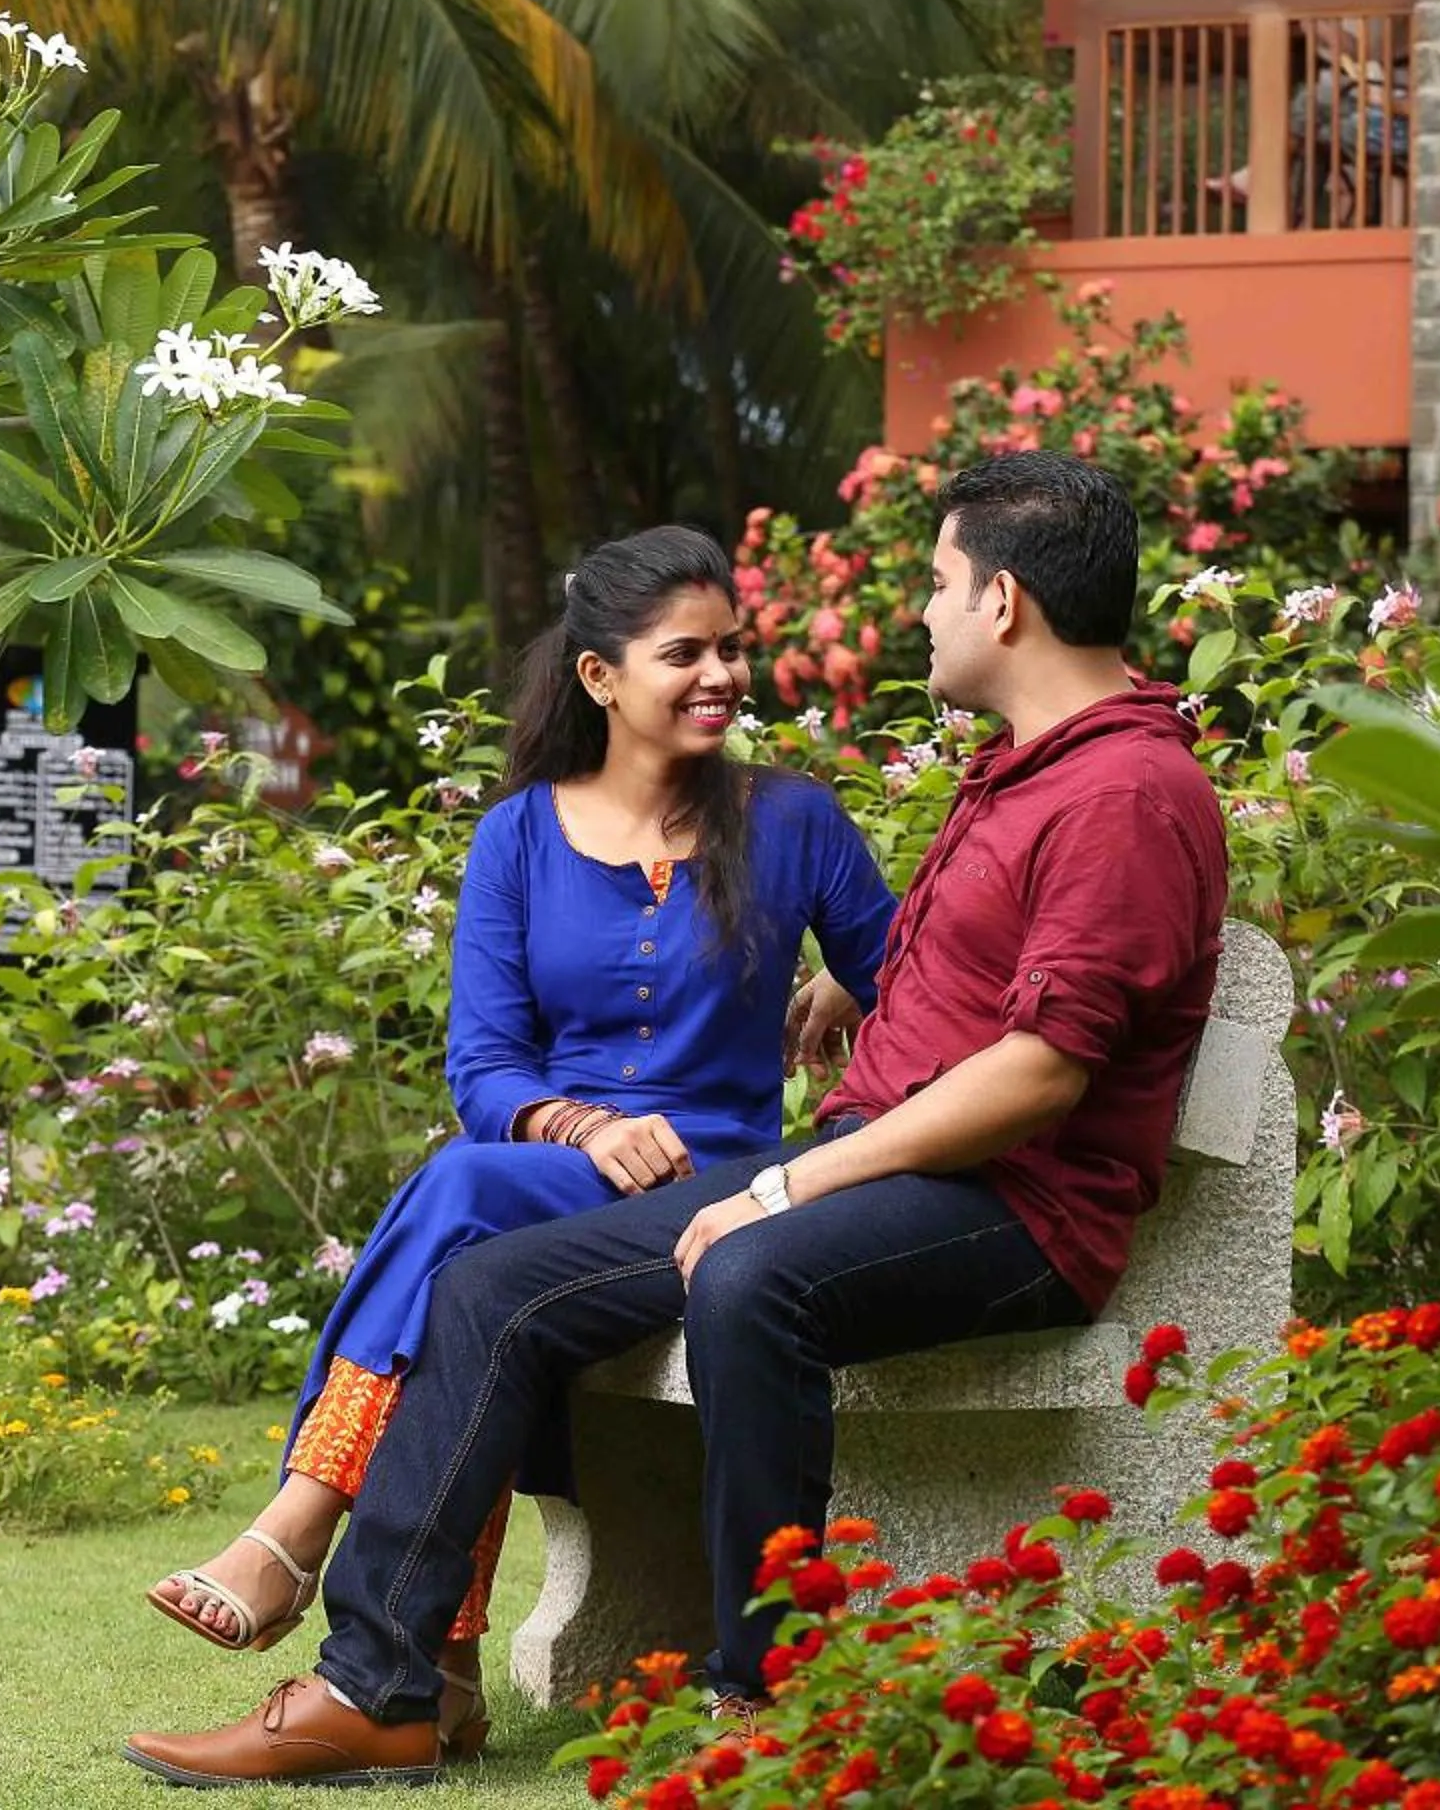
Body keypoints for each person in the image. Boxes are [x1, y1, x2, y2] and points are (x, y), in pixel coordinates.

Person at [123, 449, 1232, 1787]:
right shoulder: (1028, 774)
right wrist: (844, 1018)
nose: (921, 613)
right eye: (683, 652)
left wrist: (788, 1183)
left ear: (1000, 603)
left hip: (1010, 1205)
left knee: (748, 1272)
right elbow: (953, 983)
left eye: (938, 585)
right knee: (482, 1281)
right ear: (600, 679)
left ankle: (759, 1698)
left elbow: (1045, 1072)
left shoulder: (1118, 790)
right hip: (892, 1172)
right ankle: (385, 1685)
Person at [144, 526, 899, 1756]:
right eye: (684, 653)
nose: (721, 676)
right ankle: (423, 1661)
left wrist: (852, 990)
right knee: (472, 1199)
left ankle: (305, 1533)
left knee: (459, 1194)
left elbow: (925, 982)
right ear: (600, 677)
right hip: (554, 1177)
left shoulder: (793, 823)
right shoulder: (520, 838)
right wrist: (584, 1123)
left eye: (731, 649)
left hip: (726, 1194)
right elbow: (485, 1066)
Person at [1211, 0, 1415, 220]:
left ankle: (1258, 178)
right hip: (1340, 72)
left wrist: (1370, 62)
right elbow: (1310, 17)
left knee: (1313, 107)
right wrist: (1344, 49)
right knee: (1310, 108)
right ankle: (1281, 203)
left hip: (1391, 78)